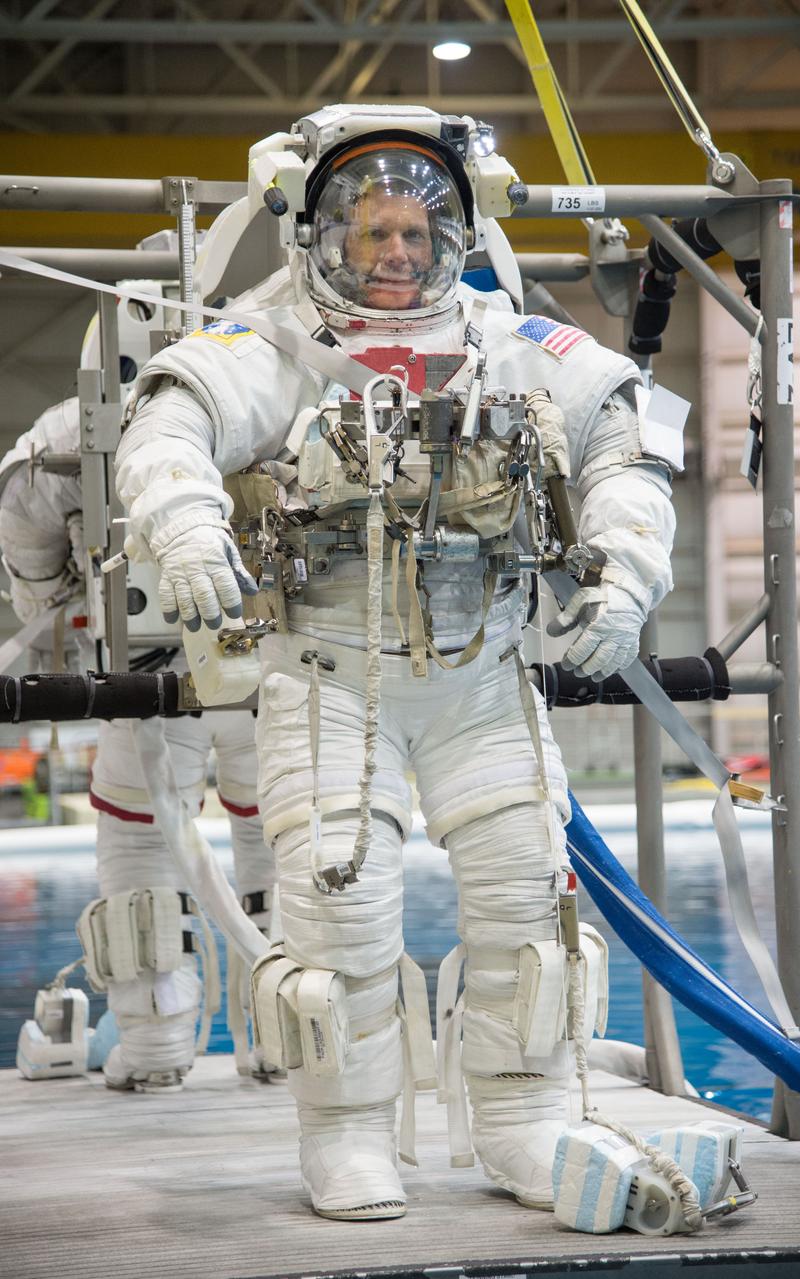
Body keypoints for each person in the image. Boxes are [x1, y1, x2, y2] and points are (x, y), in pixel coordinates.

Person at [114, 106, 677, 1213]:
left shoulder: (511, 341)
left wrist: (627, 573)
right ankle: (346, 1135)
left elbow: (626, 445)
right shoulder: (269, 344)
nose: (395, 256)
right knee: (339, 908)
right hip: (329, 679)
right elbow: (164, 429)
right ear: (324, 236)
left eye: (416, 237)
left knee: (524, 895)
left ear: (451, 240)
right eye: (372, 235)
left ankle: (523, 1122)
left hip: (482, 678)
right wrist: (182, 524)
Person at [1, 388, 277, 1091]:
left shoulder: (76, 427)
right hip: (269, 662)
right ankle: (286, 1042)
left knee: (141, 837)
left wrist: (46, 602)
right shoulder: (264, 398)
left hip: (152, 670)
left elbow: (22, 507)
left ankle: (156, 1045)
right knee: (280, 832)